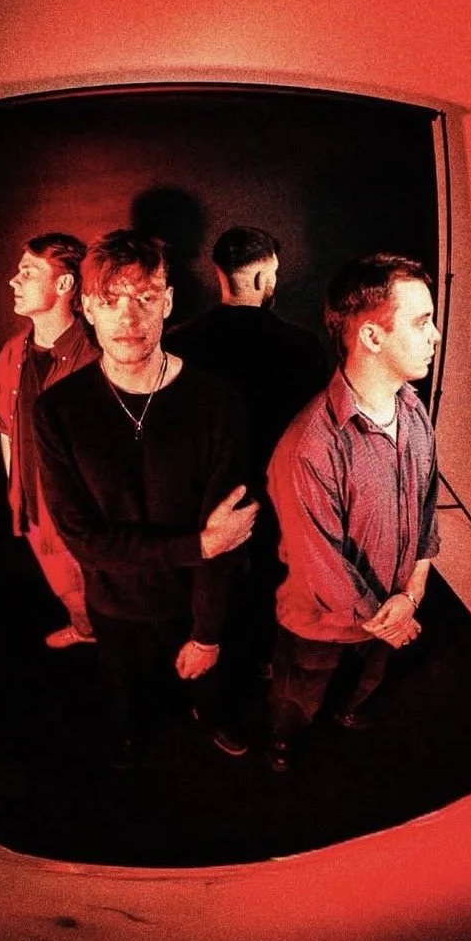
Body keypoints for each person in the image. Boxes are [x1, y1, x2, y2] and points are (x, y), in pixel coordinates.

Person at [33, 230, 257, 766]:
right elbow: (84, 540)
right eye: (110, 301)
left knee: (211, 686)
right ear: (87, 306)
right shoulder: (59, 410)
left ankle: (210, 713)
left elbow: (230, 533)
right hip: (115, 605)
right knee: (126, 700)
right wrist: (198, 544)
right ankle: (131, 734)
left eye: (145, 298)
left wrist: (206, 635)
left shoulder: (217, 403)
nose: (128, 319)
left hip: (196, 602)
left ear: (169, 301)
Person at [264, 253, 443, 772]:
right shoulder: (310, 446)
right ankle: (284, 740)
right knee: (299, 694)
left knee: (366, 681)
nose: (434, 335)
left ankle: (351, 709)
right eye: (421, 321)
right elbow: (321, 565)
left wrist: (413, 590)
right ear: (370, 337)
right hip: (321, 622)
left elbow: (427, 504)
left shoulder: (413, 409)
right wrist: (390, 619)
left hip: (393, 607)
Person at [167, 226, 330, 691]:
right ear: (263, 279)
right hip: (279, 494)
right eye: (273, 274)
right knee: (271, 582)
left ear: (219, 273)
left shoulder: (179, 344)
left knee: (208, 586)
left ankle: (211, 662)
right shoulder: (303, 346)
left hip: (205, 498)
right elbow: (316, 433)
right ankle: (263, 660)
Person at [0, 233, 100, 647]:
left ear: (64, 285)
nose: (13, 281)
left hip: (86, 519)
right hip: (37, 509)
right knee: (67, 590)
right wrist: (18, 490)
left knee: (108, 595)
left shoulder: (95, 355)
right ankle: (87, 631)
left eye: (27, 272)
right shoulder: (12, 352)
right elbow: (5, 426)